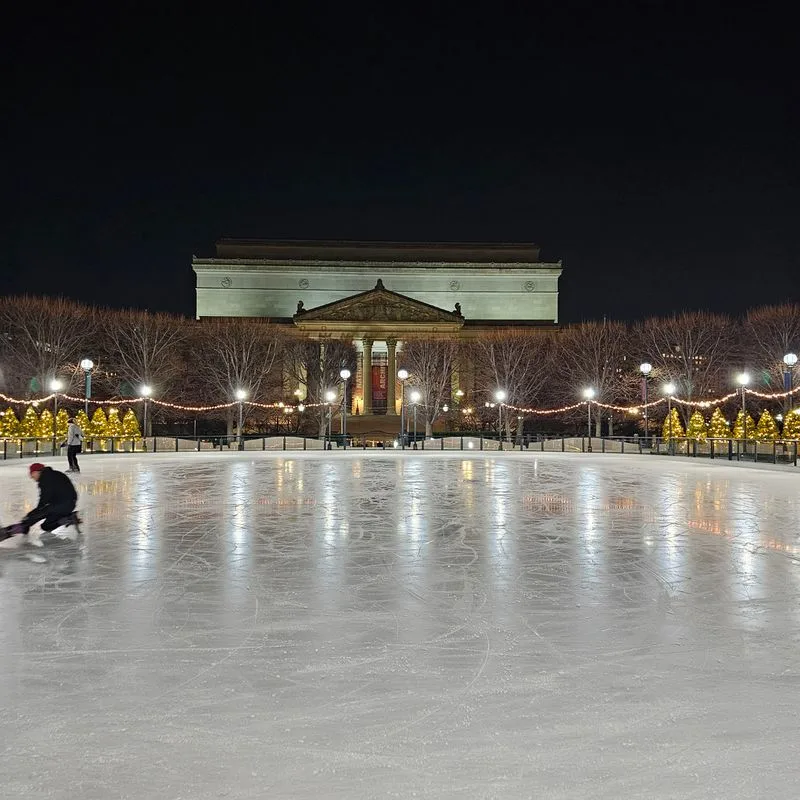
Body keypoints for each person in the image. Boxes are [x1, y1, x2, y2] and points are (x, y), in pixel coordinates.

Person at [0, 463, 81, 547]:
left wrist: (33, 514)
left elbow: (44, 499)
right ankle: (68, 519)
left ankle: (10, 531)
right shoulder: (54, 474)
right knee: (46, 526)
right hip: (68, 503)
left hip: (62, 504)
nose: (31, 477)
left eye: (31, 474)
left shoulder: (45, 478)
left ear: (36, 472)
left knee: (35, 516)